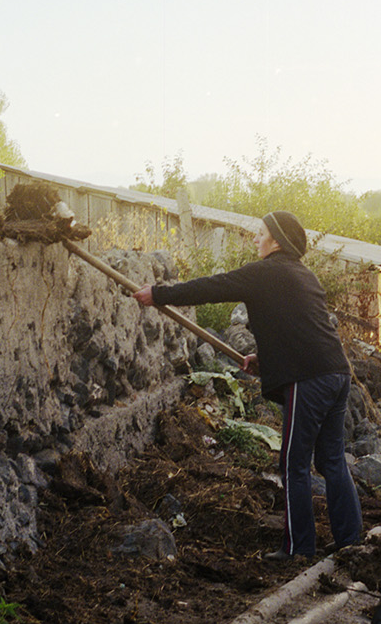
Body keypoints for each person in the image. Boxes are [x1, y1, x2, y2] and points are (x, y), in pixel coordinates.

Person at [133, 210, 362, 559]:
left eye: (260, 233)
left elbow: (212, 287)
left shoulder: (265, 273)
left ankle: (299, 549)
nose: (255, 239)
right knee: (332, 460)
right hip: (336, 373)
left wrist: (159, 294)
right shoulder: (304, 275)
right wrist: (266, 360)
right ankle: (350, 540)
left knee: (292, 464)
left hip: (310, 378)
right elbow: (299, 329)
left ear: (277, 241)